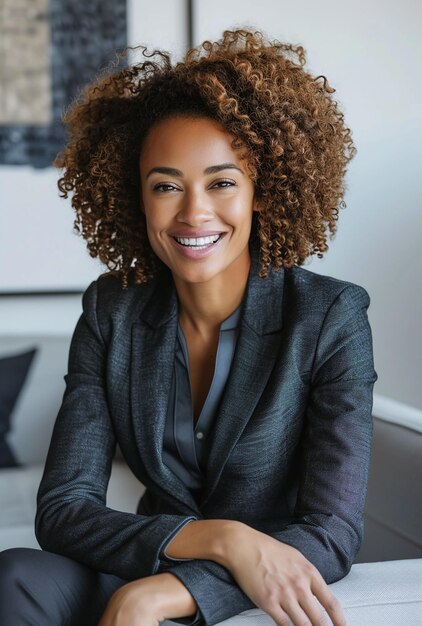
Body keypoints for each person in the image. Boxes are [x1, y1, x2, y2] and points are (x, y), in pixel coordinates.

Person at [0, 28, 378, 626]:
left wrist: (160, 594)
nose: (193, 212)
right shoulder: (110, 311)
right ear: (138, 199)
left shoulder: (330, 317)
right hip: (163, 555)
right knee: (14, 577)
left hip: (254, 587)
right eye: (167, 185)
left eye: (222, 182)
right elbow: (65, 510)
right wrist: (222, 537)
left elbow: (332, 532)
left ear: (262, 192)